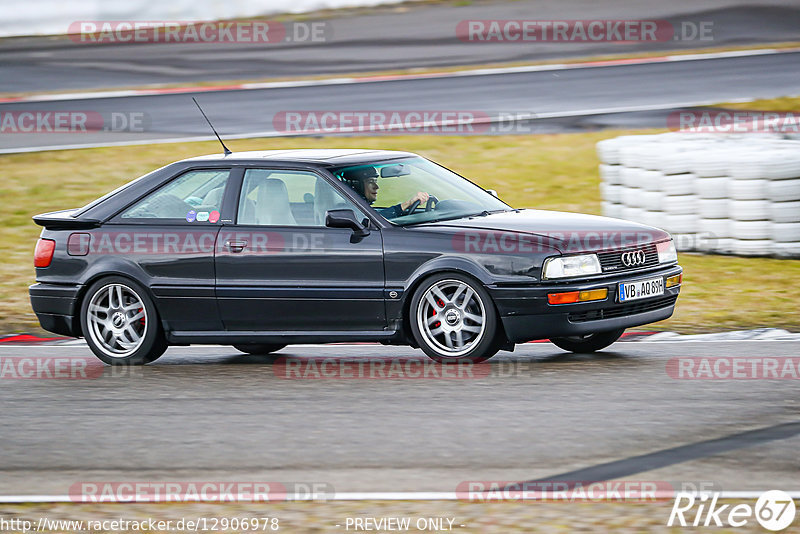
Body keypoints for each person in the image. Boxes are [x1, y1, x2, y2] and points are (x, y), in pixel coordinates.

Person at [341, 167, 429, 218]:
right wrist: (408, 203)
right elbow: (373, 220)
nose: (376, 187)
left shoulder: (362, 208)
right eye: (370, 182)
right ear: (356, 186)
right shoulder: (350, 213)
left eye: (376, 181)